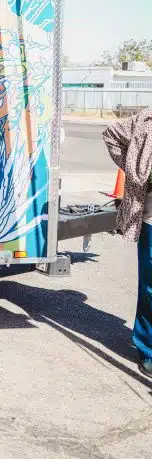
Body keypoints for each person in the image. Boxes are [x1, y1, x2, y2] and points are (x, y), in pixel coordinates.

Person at [102, 111, 152, 377]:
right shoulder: (145, 121)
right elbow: (110, 134)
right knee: (150, 288)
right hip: (151, 221)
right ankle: (147, 350)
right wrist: (133, 169)